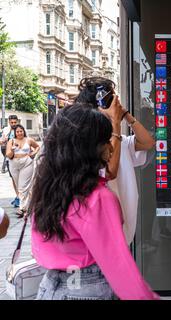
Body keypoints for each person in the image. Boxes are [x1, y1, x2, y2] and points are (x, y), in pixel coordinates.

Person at [30, 104, 159, 300]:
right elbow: (119, 267)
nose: (111, 147)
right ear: (87, 148)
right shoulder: (97, 198)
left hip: (50, 286)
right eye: (106, 140)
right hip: (88, 288)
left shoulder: (48, 188)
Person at [74, 77, 155, 244]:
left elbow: (148, 142)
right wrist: (115, 122)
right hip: (102, 238)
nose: (113, 104)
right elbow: (110, 171)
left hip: (123, 234)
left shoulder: (121, 141)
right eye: (108, 101)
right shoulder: (84, 145)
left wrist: (125, 114)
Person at [5, 124, 40, 218]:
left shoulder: (29, 140)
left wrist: (33, 153)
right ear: (15, 133)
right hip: (14, 164)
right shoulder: (11, 141)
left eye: (21, 131)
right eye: (17, 132)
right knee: (19, 185)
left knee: (23, 187)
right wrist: (12, 150)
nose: (19, 133)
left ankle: (22, 208)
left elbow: (37, 146)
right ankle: (32, 203)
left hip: (26, 163)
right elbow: (8, 155)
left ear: (24, 131)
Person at [1, 115, 20, 207]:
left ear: (17, 122)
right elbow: (1, 141)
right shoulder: (5, 130)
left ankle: (21, 197)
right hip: (9, 158)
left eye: (14, 122)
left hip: (20, 158)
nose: (13, 124)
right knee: (13, 178)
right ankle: (18, 196)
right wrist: (3, 141)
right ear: (9, 122)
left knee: (21, 179)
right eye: (11, 122)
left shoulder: (21, 130)